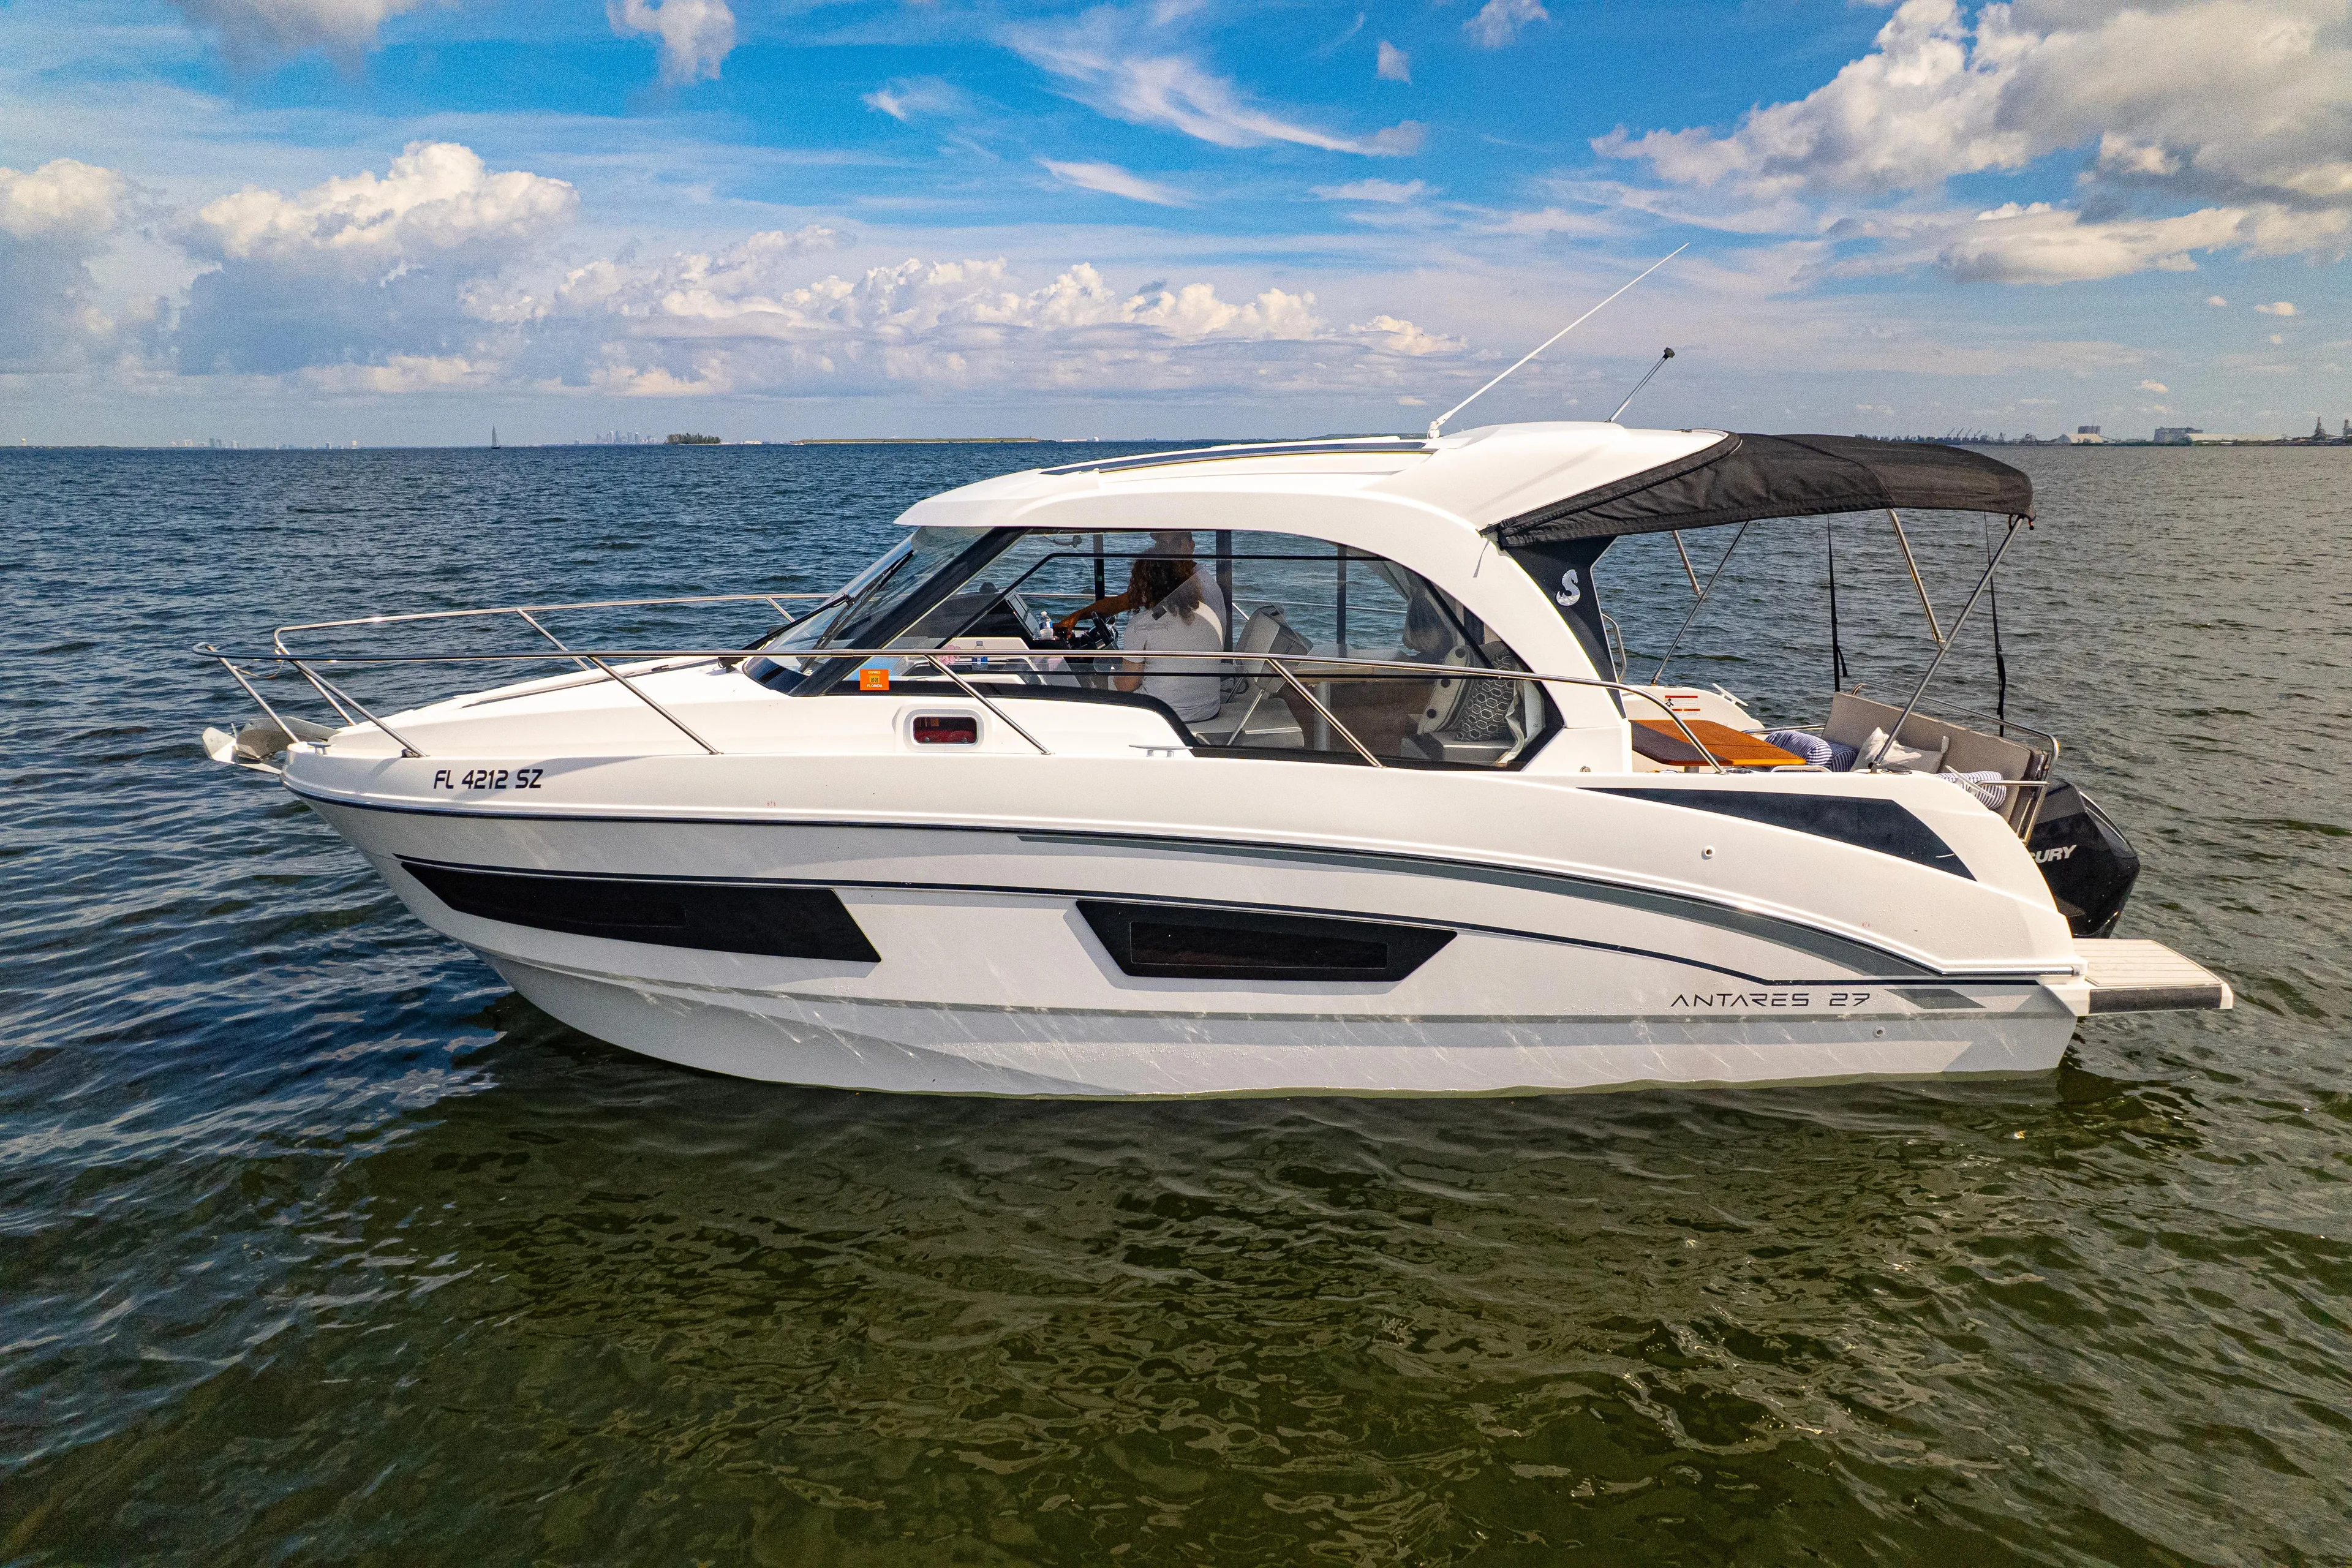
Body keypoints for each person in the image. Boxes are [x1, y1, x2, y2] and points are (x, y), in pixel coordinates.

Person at [1113, 556, 1226, 722]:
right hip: (1209, 712)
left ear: (1146, 584)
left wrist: (1114, 677)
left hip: (1160, 717)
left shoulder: (1141, 625)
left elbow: (1127, 685)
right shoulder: (1210, 615)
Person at [1053, 530, 1230, 636]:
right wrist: (1078, 615)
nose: (1167, 549)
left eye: (1175, 542)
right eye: (1162, 543)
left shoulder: (1199, 586)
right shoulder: (1170, 581)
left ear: (1191, 546)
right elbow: (1122, 603)